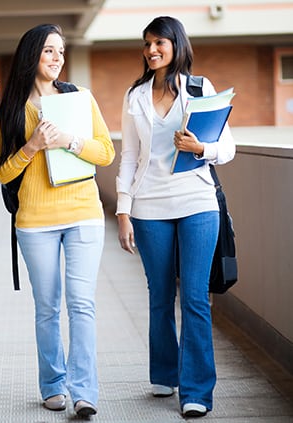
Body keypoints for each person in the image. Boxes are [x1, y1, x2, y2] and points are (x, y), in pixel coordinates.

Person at [0, 24, 114, 417]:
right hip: (36, 220)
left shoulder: (80, 99)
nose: (57, 58)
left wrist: (69, 141)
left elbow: (106, 153)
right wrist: (33, 146)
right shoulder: (11, 108)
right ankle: (51, 384)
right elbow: (4, 172)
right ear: (32, 56)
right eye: (49, 51)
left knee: (82, 304)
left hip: (83, 214)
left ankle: (84, 392)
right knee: (46, 307)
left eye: (60, 51)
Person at [116, 16, 235, 418]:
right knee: (160, 295)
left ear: (175, 44)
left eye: (159, 43)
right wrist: (123, 209)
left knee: (196, 298)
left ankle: (197, 390)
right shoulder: (135, 95)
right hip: (149, 205)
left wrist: (201, 148)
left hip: (198, 202)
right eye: (147, 43)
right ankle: (166, 373)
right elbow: (129, 156)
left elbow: (228, 147)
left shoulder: (200, 89)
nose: (151, 50)